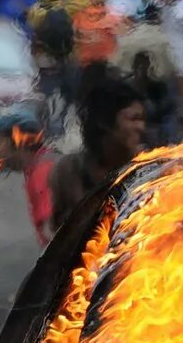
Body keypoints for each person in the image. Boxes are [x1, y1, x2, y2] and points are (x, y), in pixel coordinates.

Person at [48, 77, 146, 233]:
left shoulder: (146, 168)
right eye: (133, 119)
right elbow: (57, 230)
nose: (141, 127)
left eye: (142, 119)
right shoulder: (67, 171)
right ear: (104, 121)